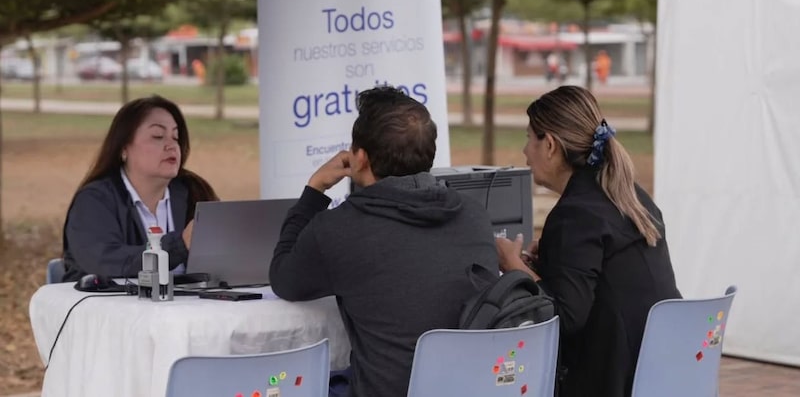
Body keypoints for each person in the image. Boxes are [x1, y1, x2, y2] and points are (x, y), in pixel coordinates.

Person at [269, 85, 498, 397]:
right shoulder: (475, 216)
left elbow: (284, 279)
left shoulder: (340, 229)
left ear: (360, 158)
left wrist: (314, 189)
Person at [495, 86, 680, 397]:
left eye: (529, 138)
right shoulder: (631, 197)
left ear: (550, 144)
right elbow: (608, 279)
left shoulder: (574, 215)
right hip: (663, 367)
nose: (525, 151)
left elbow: (566, 318)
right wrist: (546, 264)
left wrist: (513, 266)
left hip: (612, 377)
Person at [62, 95, 218, 282]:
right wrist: (179, 246)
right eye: (158, 136)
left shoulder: (195, 191)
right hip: (108, 309)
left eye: (175, 137)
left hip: (190, 309)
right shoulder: (94, 201)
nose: (171, 145)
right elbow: (106, 262)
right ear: (123, 148)